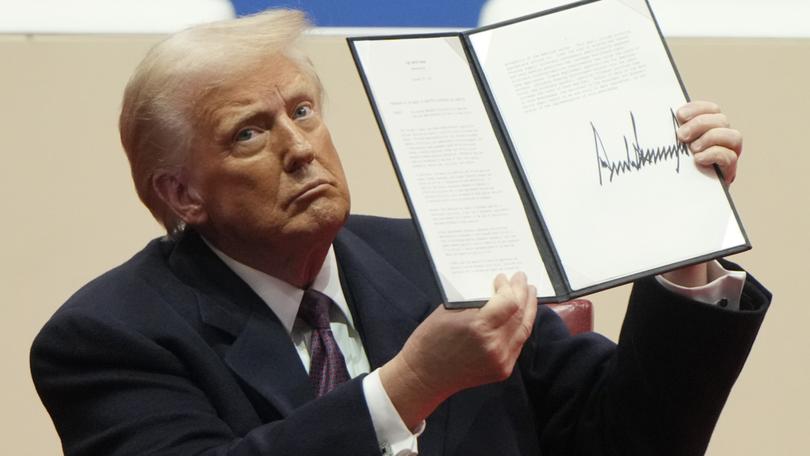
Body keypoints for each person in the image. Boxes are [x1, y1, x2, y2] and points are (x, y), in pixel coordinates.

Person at [30, 9, 769, 456]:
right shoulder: (107, 337)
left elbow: (626, 442)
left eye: (303, 110)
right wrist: (408, 386)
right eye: (250, 133)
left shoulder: (428, 258)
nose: (298, 146)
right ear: (181, 193)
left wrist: (686, 243)